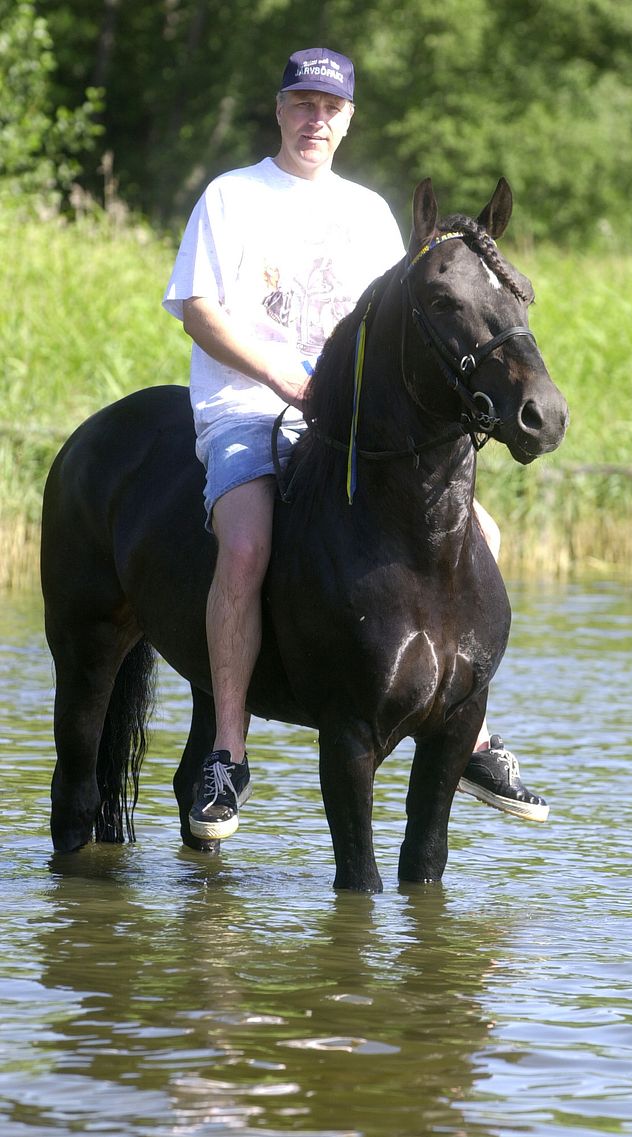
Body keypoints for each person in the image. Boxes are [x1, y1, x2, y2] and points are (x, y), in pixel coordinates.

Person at [163, 47, 548, 844]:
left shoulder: (370, 212)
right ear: (279, 109)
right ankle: (227, 752)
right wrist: (278, 373)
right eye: (303, 104)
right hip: (247, 406)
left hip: (348, 422)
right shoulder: (232, 197)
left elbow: (403, 331)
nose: (316, 120)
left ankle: (468, 731)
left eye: (330, 109)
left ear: (348, 119)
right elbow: (197, 307)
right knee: (244, 545)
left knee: (486, 534)